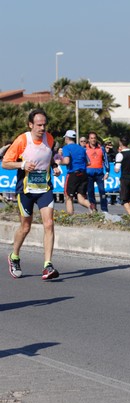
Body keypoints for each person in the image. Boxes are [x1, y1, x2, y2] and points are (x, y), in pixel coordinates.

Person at [2, 108, 61, 279]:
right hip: (26, 190)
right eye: (39, 125)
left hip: (44, 189)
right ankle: (14, 256)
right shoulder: (22, 140)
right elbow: (6, 163)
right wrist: (22, 165)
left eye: (44, 125)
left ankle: (47, 265)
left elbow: (49, 156)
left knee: (49, 224)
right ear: (30, 125)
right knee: (25, 226)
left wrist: (55, 166)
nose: (42, 128)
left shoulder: (49, 138)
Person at [60, 130, 93, 215]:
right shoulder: (81, 148)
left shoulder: (66, 148)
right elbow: (88, 162)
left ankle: (69, 217)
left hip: (73, 174)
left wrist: (58, 162)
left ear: (67, 138)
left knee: (68, 197)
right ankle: (93, 210)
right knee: (81, 198)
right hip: (83, 174)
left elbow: (67, 161)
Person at [86, 131, 109, 213]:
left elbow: (106, 160)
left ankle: (104, 210)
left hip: (99, 174)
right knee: (90, 192)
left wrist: (107, 172)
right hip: (89, 174)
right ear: (88, 139)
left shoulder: (101, 148)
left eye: (94, 138)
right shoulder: (85, 149)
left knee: (102, 192)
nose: (93, 140)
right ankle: (93, 209)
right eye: (91, 138)